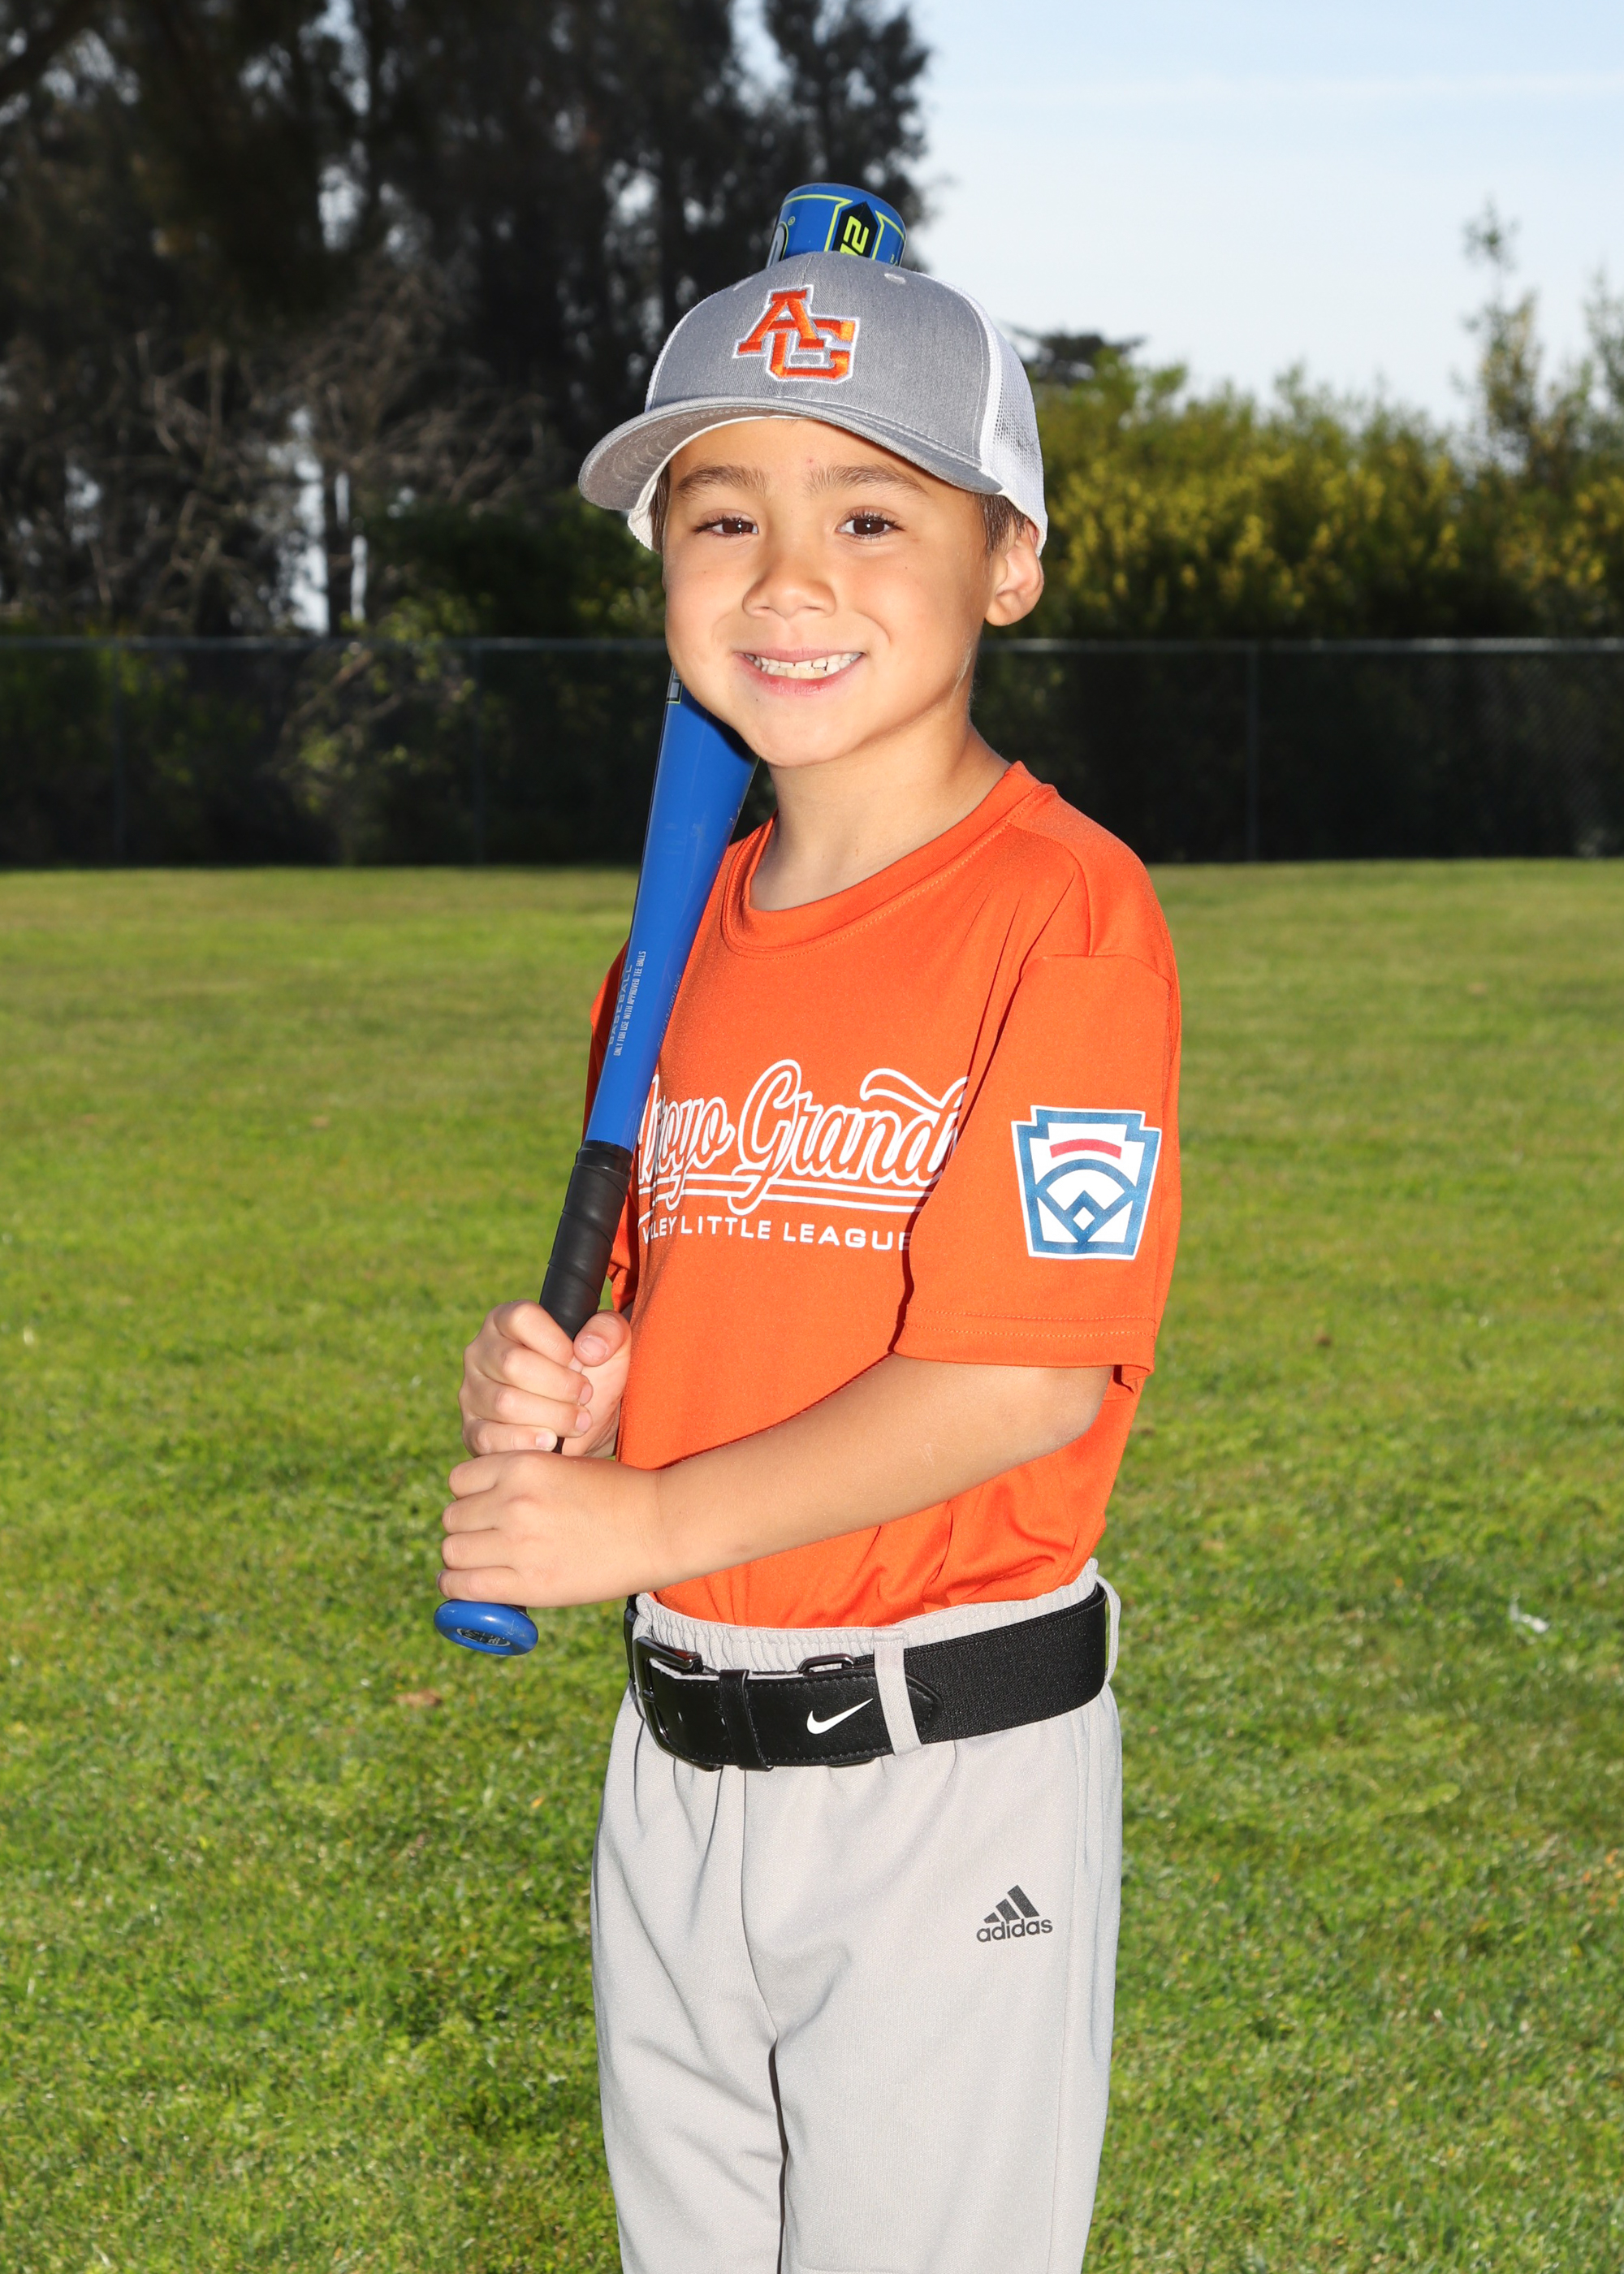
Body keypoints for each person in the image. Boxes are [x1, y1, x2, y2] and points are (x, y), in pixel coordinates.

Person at [441, 243, 1181, 2274]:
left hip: (941, 1771)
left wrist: (644, 1512)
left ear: (1005, 562)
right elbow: (705, 1306)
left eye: (868, 517)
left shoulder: (1064, 915)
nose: (786, 580)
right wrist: (594, 1397)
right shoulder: (670, 950)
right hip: (677, 1760)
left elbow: (1018, 1373)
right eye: (721, 520)